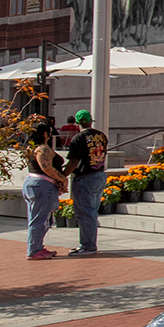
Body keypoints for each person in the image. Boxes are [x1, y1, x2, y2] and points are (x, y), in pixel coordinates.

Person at [63, 108, 108, 256]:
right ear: (91, 120)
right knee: (92, 211)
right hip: (99, 175)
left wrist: (62, 176)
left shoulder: (78, 138)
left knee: (84, 213)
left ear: (77, 122)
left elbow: (73, 162)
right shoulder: (101, 135)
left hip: (85, 177)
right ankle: (88, 243)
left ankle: (88, 246)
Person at [23, 122, 67, 260]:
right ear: (44, 134)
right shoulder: (42, 148)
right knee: (40, 219)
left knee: (36, 218)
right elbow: (46, 167)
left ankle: (37, 247)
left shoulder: (30, 148)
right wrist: (62, 179)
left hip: (34, 183)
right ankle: (34, 249)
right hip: (43, 185)